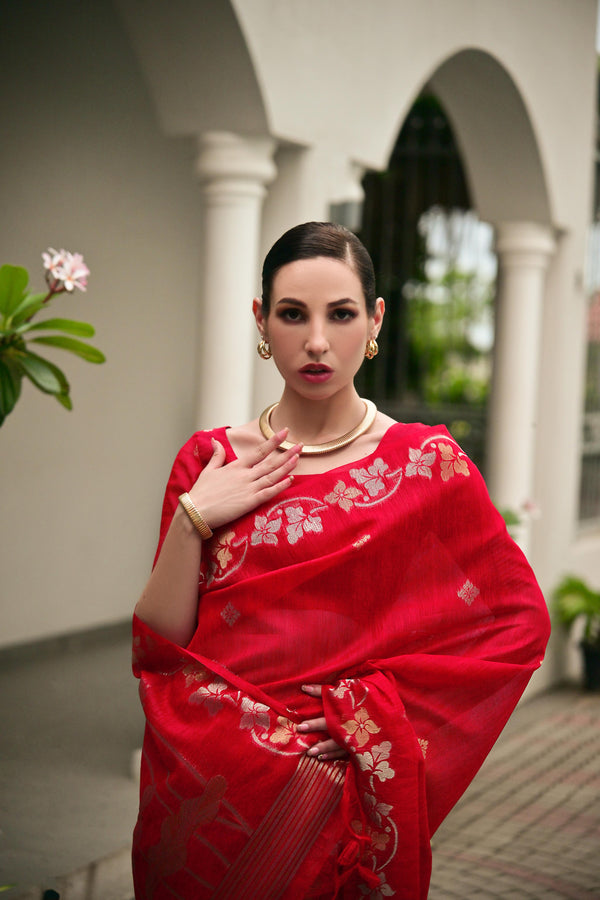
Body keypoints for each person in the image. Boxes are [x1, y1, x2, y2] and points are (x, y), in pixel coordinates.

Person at [132, 221, 550, 899]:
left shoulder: (424, 464)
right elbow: (160, 644)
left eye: (342, 314)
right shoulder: (210, 459)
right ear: (261, 320)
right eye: (293, 315)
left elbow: (515, 622)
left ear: (375, 319)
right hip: (212, 782)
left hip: (339, 787)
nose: (317, 342)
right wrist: (194, 518)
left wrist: (365, 716)